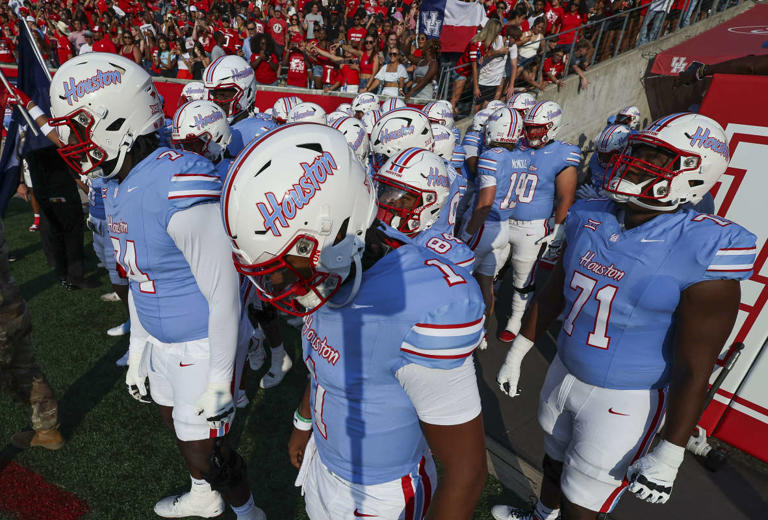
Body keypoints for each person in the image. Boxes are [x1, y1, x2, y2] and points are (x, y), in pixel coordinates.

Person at [493, 112, 753, 520]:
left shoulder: (705, 248)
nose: (637, 161)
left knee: (584, 503)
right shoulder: (591, 214)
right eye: (639, 150)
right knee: (552, 462)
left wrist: (670, 451)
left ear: (695, 174)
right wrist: (518, 351)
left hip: (625, 400)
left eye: (656, 156)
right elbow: (554, 292)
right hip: (564, 369)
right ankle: (541, 514)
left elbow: (695, 367)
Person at [221, 124, 488, 519]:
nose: (275, 286)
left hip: (382, 494)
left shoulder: (421, 303)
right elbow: (324, 363)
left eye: (281, 269)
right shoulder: (333, 276)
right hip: (324, 465)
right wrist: (303, 420)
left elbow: (467, 472)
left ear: (333, 231)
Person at [48, 53, 265, 520]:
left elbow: (224, 291)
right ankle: (205, 497)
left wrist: (218, 378)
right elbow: (140, 276)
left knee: (208, 452)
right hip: (163, 338)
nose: (69, 139)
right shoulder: (123, 175)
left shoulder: (178, 179)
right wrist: (141, 347)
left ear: (116, 116)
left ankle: (248, 512)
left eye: (78, 125)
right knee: (178, 428)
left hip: (203, 340)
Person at [499, 101, 579, 342]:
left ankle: (514, 320)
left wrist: (560, 227)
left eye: (538, 128)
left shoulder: (564, 153)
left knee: (523, 278)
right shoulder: (515, 146)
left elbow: (566, 195)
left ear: (552, 126)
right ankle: (481, 313)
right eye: (529, 127)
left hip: (532, 226)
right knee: (490, 271)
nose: (531, 133)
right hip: (503, 221)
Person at [451, 21, 503, 114]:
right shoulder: (476, 43)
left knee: (459, 98)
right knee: (455, 99)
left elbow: (483, 57)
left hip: (469, 73)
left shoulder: (487, 43)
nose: (498, 35)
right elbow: (474, 67)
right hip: (462, 72)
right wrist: (476, 87)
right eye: (497, 32)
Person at [403, 35, 440, 100]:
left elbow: (425, 80)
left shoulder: (434, 63)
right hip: (414, 91)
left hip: (425, 93)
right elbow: (407, 54)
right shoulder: (420, 61)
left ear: (429, 49)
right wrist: (410, 41)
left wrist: (412, 90)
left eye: (425, 46)